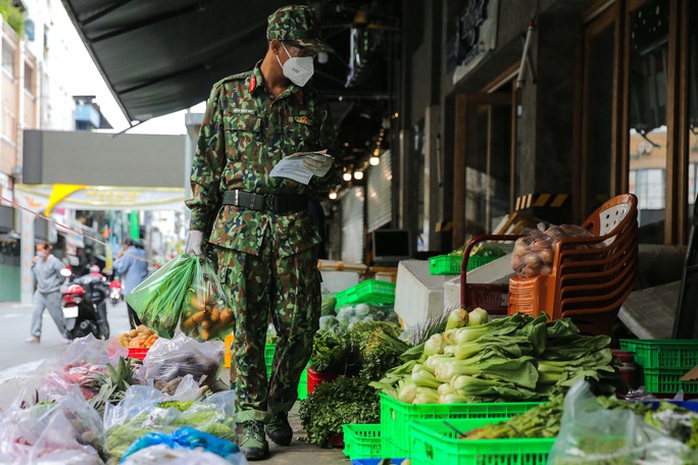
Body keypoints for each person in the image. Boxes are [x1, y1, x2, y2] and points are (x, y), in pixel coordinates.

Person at [185, 4, 340, 460]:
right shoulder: (228, 93)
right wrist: (198, 226)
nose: (309, 61)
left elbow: (330, 174)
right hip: (238, 231)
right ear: (277, 46)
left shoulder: (313, 104)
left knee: (301, 329)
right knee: (248, 331)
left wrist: (319, 170)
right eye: (303, 50)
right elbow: (207, 165)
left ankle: (277, 406)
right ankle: (250, 420)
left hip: (293, 228)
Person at [27, 241, 68, 343]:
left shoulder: (55, 262)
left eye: (41, 250)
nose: (39, 252)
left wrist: (57, 285)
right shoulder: (38, 261)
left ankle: (67, 335)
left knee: (57, 316)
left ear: (47, 250)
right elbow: (35, 271)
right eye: (37, 250)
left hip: (52, 292)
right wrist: (33, 263)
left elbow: (63, 274)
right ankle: (35, 336)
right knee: (36, 312)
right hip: (40, 292)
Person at [112, 238, 148, 329]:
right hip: (143, 288)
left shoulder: (128, 253)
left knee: (133, 318)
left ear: (126, 245)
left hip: (132, 289)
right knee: (141, 316)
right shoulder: (143, 253)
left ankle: (135, 334)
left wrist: (118, 258)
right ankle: (143, 332)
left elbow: (121, 268)